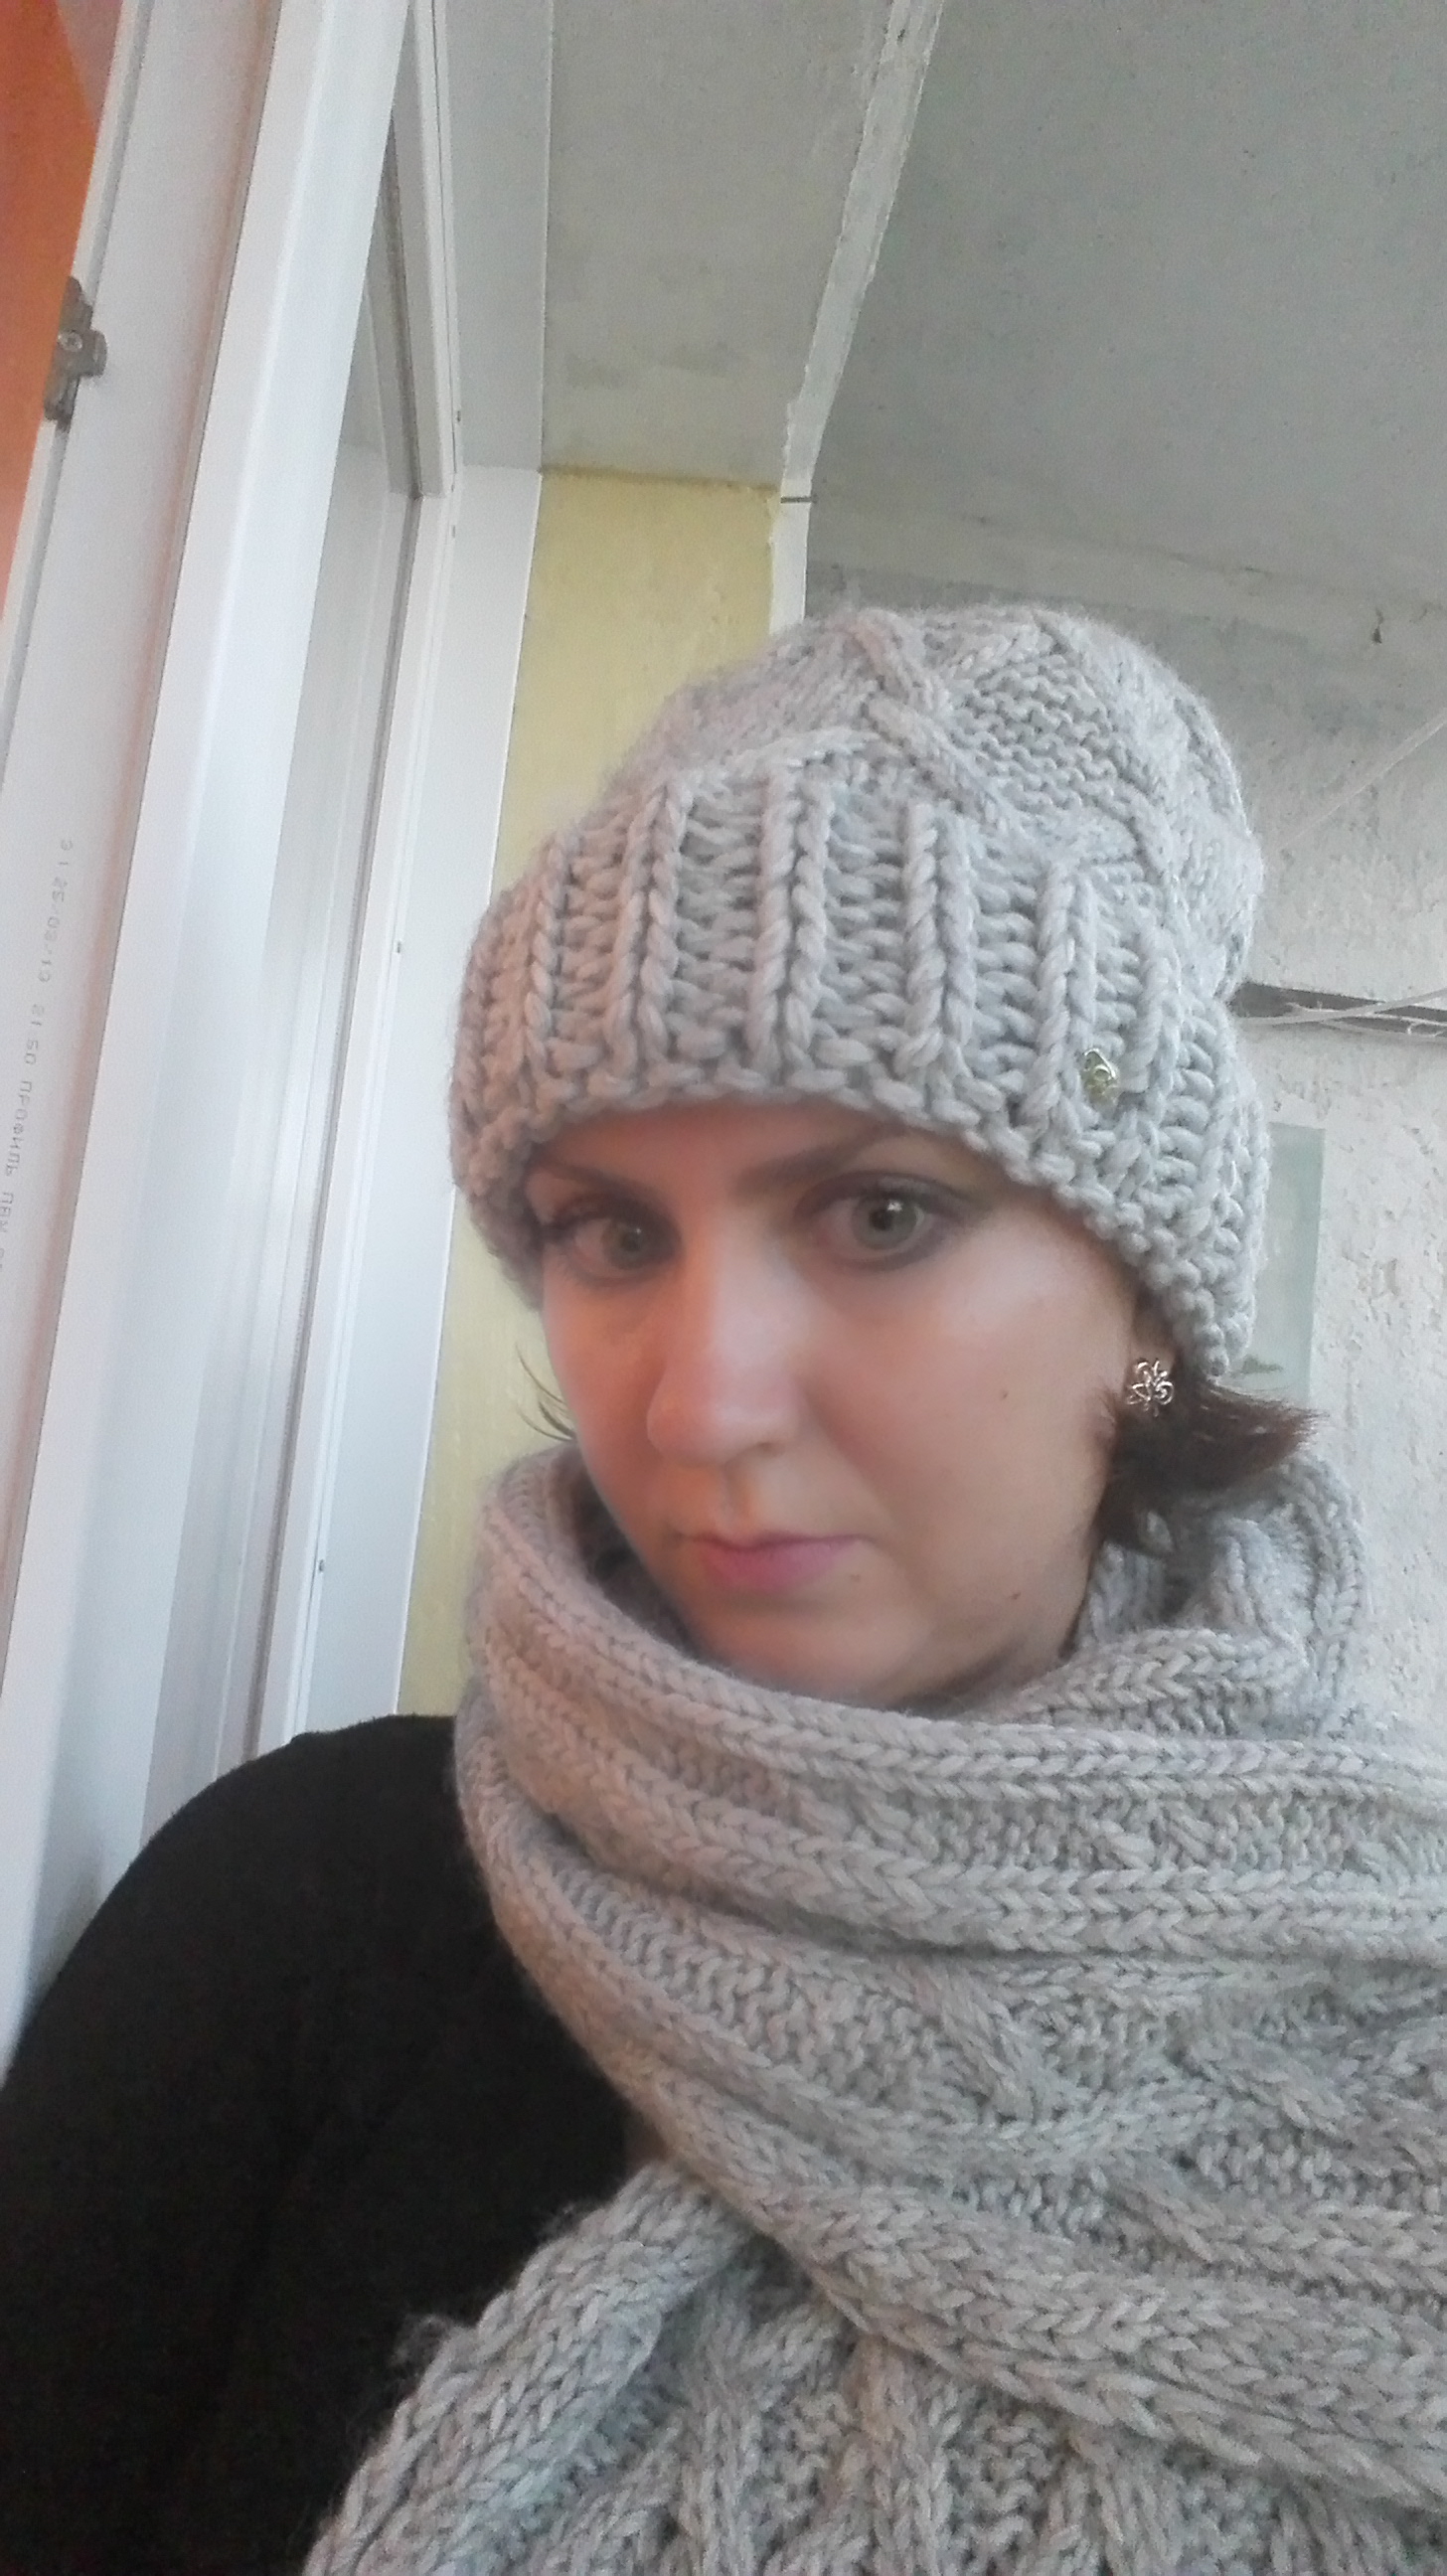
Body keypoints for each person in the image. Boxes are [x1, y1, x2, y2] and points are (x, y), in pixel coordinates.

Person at [4, 604, 1446, 2576]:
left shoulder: (1398, 2047)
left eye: (879, 1213)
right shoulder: (304, 1922)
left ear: (1148, 1315)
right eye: (610, 1232)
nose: (696, 1404)